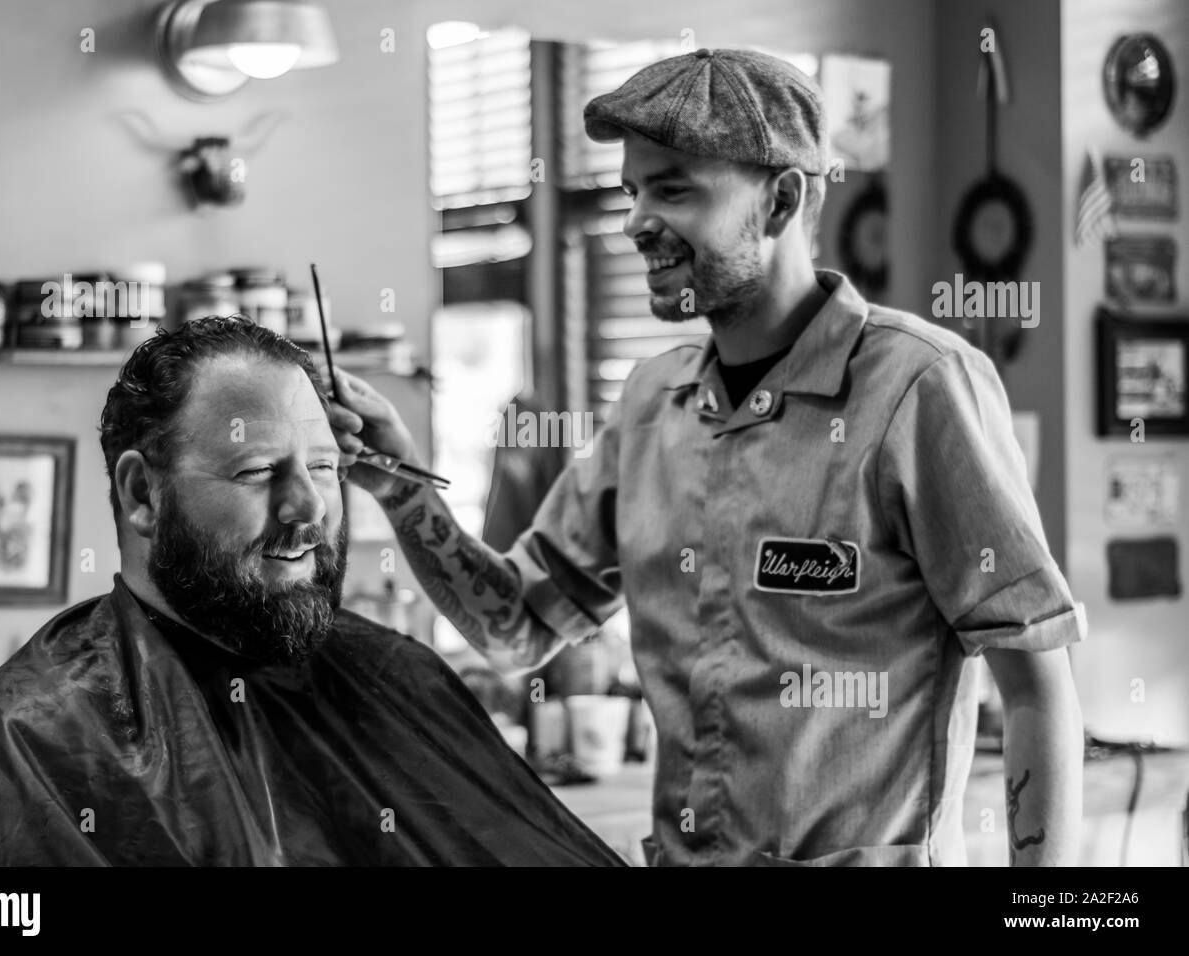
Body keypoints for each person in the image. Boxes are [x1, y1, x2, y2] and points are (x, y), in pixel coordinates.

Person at [327, 48, 1086, 867]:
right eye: (632, 191)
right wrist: (398, 487)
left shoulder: (920, 388)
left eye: (675, 187)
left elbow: (1037, 686)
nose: (634, 221)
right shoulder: (651, 403)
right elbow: (515, 627)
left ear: (782, 200)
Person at [0, 316, 623, 867]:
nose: (308, 510)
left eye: (328, 468)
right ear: (142, 493)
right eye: (256, 472)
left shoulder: (395, 681)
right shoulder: (30, 739)